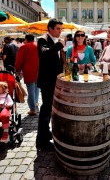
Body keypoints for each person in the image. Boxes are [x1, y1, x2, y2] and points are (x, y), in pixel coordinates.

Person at [36, 18, 65, 150]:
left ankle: (46, 133)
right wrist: (59, 45)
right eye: (58, 28)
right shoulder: (42, 40)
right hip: (47, 82)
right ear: (50, 29)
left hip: (55, 81)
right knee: (46, 109)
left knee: (50, 109)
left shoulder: (54, 41)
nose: (60, 31)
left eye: (61, 28)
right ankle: (41, 140)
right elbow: (45, 54)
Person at [15, 34, 39, 116]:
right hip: (39, 70)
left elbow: (19, 59)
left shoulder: (24, 47)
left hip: (29, 71)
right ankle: (35, 103)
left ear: (26, 39)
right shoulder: (38, 46)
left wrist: (17, 70)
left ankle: (33, 109)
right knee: (36, 88)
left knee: (31, 90)